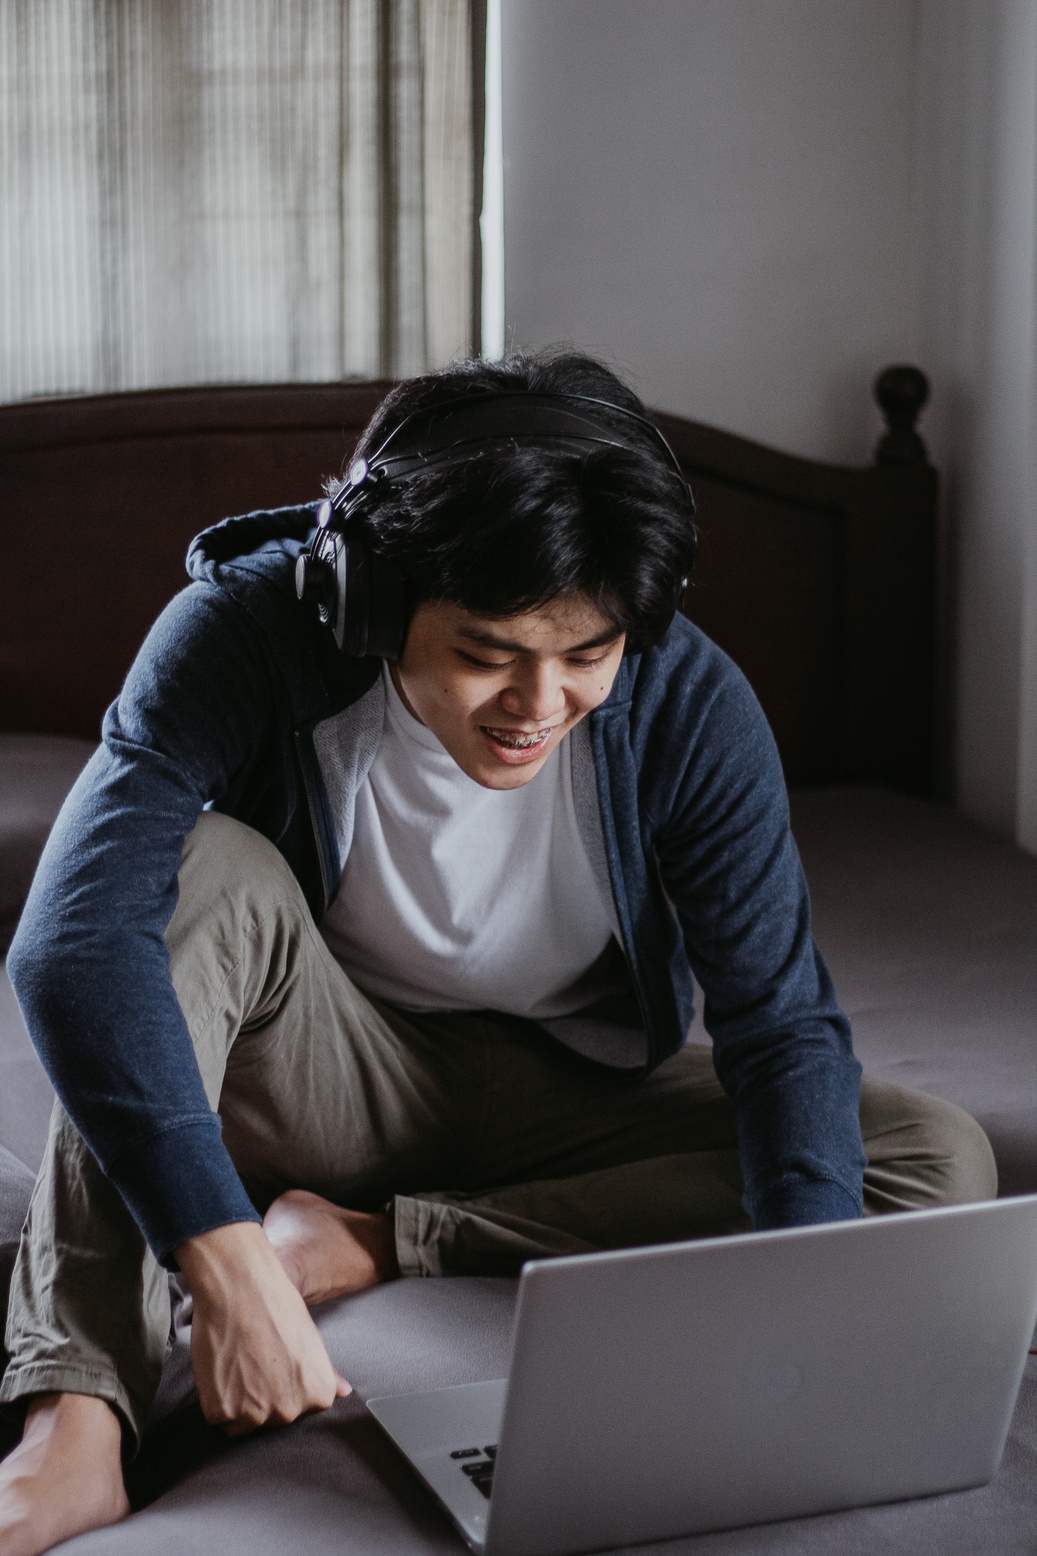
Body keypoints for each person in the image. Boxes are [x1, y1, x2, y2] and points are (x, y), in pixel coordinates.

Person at [0, 351, 996, 1555]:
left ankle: (374, 1235)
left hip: (569, 1095)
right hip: (323, 1072)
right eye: (488, 651)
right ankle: (77, 1413)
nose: (540, 701)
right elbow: (72, 940)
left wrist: (799, 1325)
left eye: (586, 653)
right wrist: (214, 1248)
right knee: (199, 870)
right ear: (373, 597)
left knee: (924, 1156)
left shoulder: (687, 698)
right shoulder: (246, 633)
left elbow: (778, 1025)